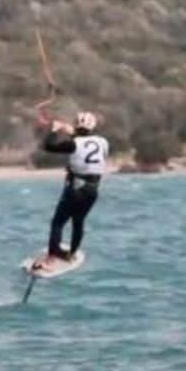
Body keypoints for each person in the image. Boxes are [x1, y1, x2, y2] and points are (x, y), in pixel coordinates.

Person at [35, 111, 109, 269]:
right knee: (78, 221)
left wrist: (54, 130)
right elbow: (85, 145)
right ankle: (71, 253)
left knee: (58, 222)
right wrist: (72, 132)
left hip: (75, 188)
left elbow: (49, 146)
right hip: (92, 190)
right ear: (93, 126)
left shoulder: (74, 144)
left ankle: (51, 258)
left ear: (76, 125)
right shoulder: (103, 142)